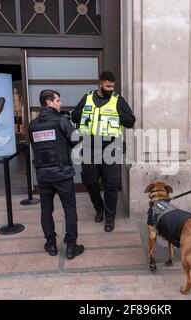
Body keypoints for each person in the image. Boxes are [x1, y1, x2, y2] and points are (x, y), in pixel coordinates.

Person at [71, 71, 136, 232]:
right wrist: (83, 114)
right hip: (89, 147)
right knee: (90, 182)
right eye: (108, 85)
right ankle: (99, 208)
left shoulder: (118, 100)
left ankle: (109, 217)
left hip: (111, 149)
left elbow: (131, 121)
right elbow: (74, 117)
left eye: (113, 86)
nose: (111, 89)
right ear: (100, 83)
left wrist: (118, 114)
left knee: (111, 185)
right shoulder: (87, 98)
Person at [28, 90, 84, 260]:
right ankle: (71, 247)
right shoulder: (61, 121)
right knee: (70, 209)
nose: (61, 103)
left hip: (43, 175)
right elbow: (77, 140)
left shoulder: (33, 125)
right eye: (58, 100)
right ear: (49, 102)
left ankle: (51, 244)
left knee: (46, 210)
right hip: (62, 174)